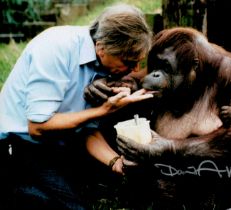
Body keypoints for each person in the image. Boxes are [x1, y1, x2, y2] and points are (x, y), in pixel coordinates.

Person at [0, 3, 152, 209]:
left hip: (62, 142)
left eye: (138, 62)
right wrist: (103, 110)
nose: (133, 69)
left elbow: (87, 131)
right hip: (20, 144)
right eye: (128, 61)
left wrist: (117, 162)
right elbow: (37, 127)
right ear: (101, 48)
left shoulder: (103, 64)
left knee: (97, 189)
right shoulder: (57, 48)